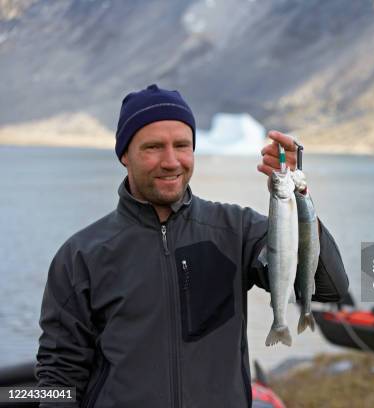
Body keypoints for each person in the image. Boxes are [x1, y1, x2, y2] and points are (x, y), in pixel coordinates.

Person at [35, 84, 349, 407]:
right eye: (153, 147)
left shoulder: (236, 230)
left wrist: (298, 197)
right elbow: (58, 375)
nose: (171, 161)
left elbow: (329, 286)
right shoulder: (81, 256)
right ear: (125, 155)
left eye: (182, 145)